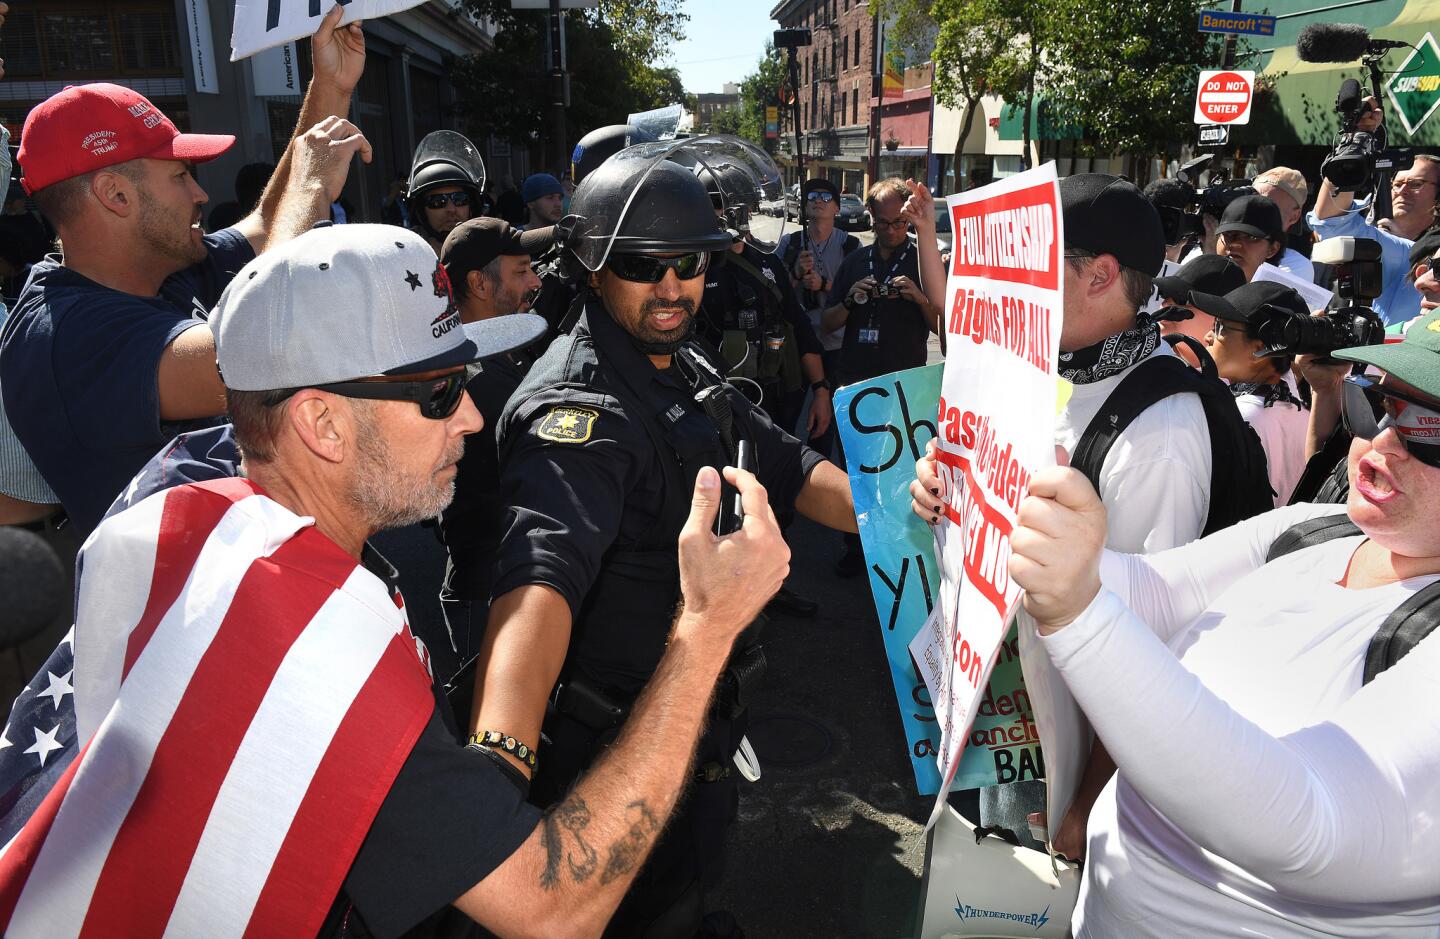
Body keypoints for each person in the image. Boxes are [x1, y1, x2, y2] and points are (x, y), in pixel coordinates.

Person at [0, 222, 792, 937]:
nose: (473, 418)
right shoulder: (312, 643)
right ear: (321, 422)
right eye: (439, 391)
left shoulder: (193, 482)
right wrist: (705, 627)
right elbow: (553, 909)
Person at [474, 152, 858, 937]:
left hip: (694, 731)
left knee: (688, 890)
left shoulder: (674, 355)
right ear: (592, 265)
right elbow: (539, 579)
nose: (674, 286)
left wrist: (915, 509)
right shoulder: (578, 415)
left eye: (692, 262)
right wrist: (495, 766)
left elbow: (788, 463)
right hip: (613, 758)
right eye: (645, 265)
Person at [1003, 307, 1440, 937]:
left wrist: (1079, 614)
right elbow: (1144, 593)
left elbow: (1310, 827)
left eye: (1428, 426)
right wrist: (992, 502)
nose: (1379, 444)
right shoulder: (1307, 530)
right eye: (1379, 406)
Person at [0, 6, 370, 536]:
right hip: (199, 615)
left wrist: (329, 86)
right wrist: (311, 186)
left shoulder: (170, 267)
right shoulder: (64, 335)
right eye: (180, 176)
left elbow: (269, 223)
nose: (201, 194)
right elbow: (252, 352)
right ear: (116, 194)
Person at [436, 217, 551, 671]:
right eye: (521, 271)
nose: (536, 281)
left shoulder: (499, 353)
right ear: (478, 284)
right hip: (489, 594)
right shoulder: (477, 379)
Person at [820, 176, 945, 576]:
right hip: (855, 379)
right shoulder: (856, 261)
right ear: (870, 219)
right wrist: (851, 299)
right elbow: (827, 324)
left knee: (901, 470)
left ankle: (896, 547)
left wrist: (919, 297)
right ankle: (855, 545)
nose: (892, 230)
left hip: (902, 383)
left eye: (899, 223)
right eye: (883, 223)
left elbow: (942, 328)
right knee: (857, 468)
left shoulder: (923, 259)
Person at [1311, 96, 1438, 325]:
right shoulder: (1400, 250)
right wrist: (1356, 140)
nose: (1402, 191)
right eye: (1397, 184)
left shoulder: (1415, 250)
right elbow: (1331, 221)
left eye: (1416, 184)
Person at [1198, 281, 1310, 505]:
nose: (1208, 336)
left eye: (1221, 327)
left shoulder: (1237, 418)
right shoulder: (1305, 411)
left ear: (1260, 349)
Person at [777, 177, 862, 459]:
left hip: (838, 344)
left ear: (837, 207)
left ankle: (827, 472)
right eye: (812, 195)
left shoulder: (851, 246)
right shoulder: (789, 244)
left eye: (826, 197)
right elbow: (774, 294)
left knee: (834, 421)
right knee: (788, 417)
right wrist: (796, 275)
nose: (818, 200)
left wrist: (823, 285)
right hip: (799, 345)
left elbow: (859, 292)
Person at [1152, 252, 1246, 370]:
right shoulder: (1141, 357)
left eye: (1182, 301)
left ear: (1220, 319)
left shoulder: (1234, 383)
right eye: (1164, 295)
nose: (1165, 304)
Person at [406, 131, 485, 255]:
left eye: (460, 199)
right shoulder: (407, 256)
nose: (451, 209)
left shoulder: (489, 253)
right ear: (420, 212)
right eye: (437, 202)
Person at [1252, 166, 1316, 283]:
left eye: (1268, 207)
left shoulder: (1296, 265)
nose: (1256, 212)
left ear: (1294, 216)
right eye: (1251, 201)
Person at [1214, 193, 1287, 282]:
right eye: (1228, 234)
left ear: (1272, 249)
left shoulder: (1282, 295)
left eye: (1250, 237)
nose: (1235, 243)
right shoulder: (1197, 287)